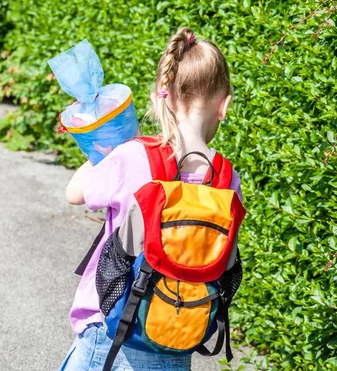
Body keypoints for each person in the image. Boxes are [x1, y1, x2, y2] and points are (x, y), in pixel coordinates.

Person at [61, 27, 243, 371]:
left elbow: (74, 193)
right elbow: (227, 262)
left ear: (162, 96)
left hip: (109, 331)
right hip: (179, 334)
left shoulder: (131, 156)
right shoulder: (226, 177)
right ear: (224, 106)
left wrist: (100, 145)